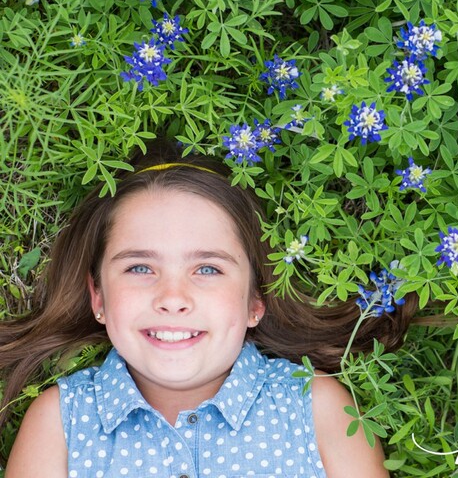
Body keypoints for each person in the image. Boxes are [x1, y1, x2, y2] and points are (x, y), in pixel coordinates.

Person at [0, 140, 416, 477]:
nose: (173, 298)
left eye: (208, 269)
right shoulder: (61, 422)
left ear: (256, 299)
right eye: (140, 267)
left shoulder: (314, 407)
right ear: (98, 297)